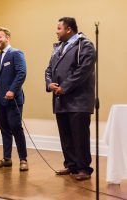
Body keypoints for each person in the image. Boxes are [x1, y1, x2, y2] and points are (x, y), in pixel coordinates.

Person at [45, 17, 96, 181]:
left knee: (79, 136)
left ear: (68, 29)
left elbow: (84, 70)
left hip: (78, 100)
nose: (56, 32)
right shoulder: (57, 47)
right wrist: (49, 84)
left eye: (59, 28)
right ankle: (71, 165)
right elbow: (48, 70)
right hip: (60, 99)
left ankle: (83, 169)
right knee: (66, 136)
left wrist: (64, 87)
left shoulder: (85, 45)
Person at [0, 27, 28, 171]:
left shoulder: (16, 53)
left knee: (16, 128)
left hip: (12, 99)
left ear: (7, 38)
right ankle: (7, 158)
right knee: (4, 130)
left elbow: (21, 73)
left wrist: (12, 90)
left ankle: (23, 159)